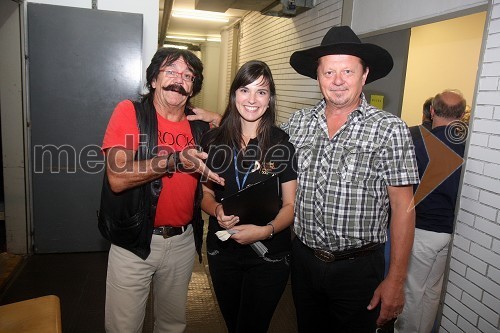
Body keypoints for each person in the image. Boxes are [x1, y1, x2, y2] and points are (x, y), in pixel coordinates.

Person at [188, 26, 419, 332]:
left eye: (347, 71)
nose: (337, 81)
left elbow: (404, 207)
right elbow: (255, 126)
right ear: (318, 77)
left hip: (358, 268)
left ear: (365, 75)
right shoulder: (299, 124)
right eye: (328, 72)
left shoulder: (390, 130)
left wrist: (396, 279)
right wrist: (215, 120)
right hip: (304, 262)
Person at [101, 47, 223, 333]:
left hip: (182, 243)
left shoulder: (199, 127)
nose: (178, 80)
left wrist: (216, 118)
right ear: (154, 80)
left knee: (172, 325)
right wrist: (174, 161)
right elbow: (117, 178)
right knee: (124, 327)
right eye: (170, 72)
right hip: (134, 241)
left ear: (193, 87)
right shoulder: (131, 113)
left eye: (187, 76)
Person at [200, 60, 298, 333]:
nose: (252, 99)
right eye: (245, 90)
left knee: (252, 327)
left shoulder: (281, 144)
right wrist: (216, 211)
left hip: (270, 255)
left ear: (270, 100)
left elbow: (290, 205)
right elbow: (206, 194)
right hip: (224, 251)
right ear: (234, 96)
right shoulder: (213, 142)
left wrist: (265, 231)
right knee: (234, 325)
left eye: (261, 92)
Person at [395, 90, 466, 333]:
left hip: (422, 230)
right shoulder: (469, 144)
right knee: (433, 290)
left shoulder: (418, 141)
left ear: (432, 111)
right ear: (461, 114)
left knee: (412, 289)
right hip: (449, 231)